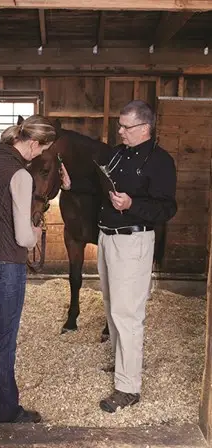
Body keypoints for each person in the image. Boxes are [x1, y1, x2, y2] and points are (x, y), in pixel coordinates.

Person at [96, 100, 177, 413]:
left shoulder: (161, 161)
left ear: (145, 128)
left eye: (126, 127)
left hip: (133, 241)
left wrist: (131, 204)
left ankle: (128, 388)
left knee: (127, 314)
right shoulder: (119, 153)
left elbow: (167, 208)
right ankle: (121, 366)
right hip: (107, 237)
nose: (120, 131)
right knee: (111, 306)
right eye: (120, 125)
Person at [0, 115, 59, 425]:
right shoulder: (21, 174)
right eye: (42, 150)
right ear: (33, 143)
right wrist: (35, 231)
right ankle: (6, 411)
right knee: (4, 340)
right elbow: (22, 237)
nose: (39, 156)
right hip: (7, 264)